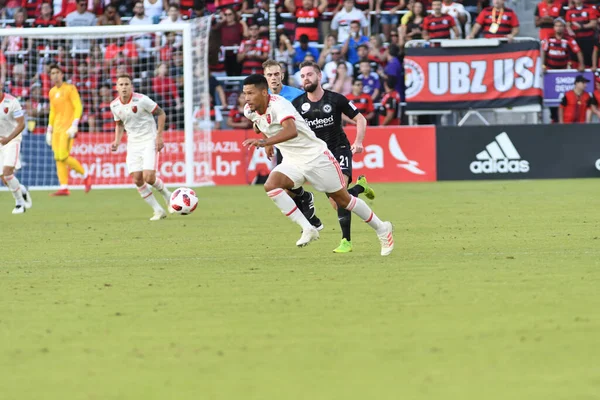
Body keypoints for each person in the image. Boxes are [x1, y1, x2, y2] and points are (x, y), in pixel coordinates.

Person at [242, 74, 394, 256]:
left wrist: (265, 142)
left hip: (316, 157)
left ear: (264, 93)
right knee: (271, 185)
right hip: (292, 160)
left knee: (343, 201)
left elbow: (291, 131)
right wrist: (266, 137)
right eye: (245, 94)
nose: (247, 98)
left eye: (251, 93)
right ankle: (309, 228)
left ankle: (382, 229)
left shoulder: (279, 104)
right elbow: (258, 123)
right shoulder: (249, 110)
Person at [292, 61, 378, 254]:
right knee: (337, 200)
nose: (306, 79)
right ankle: (360, 186)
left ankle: (346, 241)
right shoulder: (297, 105)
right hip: (319, 157)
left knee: (340, 197)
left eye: (309, 75)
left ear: (319, 76)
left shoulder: (336, 99)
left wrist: (359, 141)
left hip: (339, 149)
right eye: (303, 76)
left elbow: (360, 119)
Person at [263, 59, 323, 230]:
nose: (274, 78)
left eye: (276, 74)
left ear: (282, 75)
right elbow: (260, 121)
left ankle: (307, 203)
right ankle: (308, 206)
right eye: (270, 75)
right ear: (265, 77)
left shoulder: (296, 95)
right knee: (285, 189)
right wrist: (268, 142)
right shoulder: (263, 96)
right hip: (284, 146)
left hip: (303, 144)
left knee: (329, 189)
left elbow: (310, 116)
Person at [110, 74, 172, 221]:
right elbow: (119, 124)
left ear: (131, 86)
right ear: (117, 87)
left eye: (126, 84)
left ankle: (168, 196)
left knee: (149, 178)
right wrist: (117, 141)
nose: (124, 87)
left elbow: (161, 113)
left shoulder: (142, 100)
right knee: (137, 179)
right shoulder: (114, 105)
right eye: (121, 85)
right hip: (133, 144)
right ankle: (158, 210)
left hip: (149, 140)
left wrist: (159, 136)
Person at [46, 64, 92, 196]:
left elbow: (78, 106)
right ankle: (64, 186)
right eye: (52, 73)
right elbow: (53, 111)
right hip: (57, 129)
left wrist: (75, 124)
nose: (54, 75)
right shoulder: (52, 92)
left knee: (63, 156)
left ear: (62, 74)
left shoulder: (70, 89)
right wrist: (49, 129)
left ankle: (86, 175)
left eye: (57, 72)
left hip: (68, 128)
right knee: (58, 158)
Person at [0, 88, 32, 214]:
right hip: (1, 141)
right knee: (4, 178)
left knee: (7, 171)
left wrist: (8, 139)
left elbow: (21, 124)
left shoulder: (12, 102)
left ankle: (20, 204)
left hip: (12, 140)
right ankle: (22, 189)